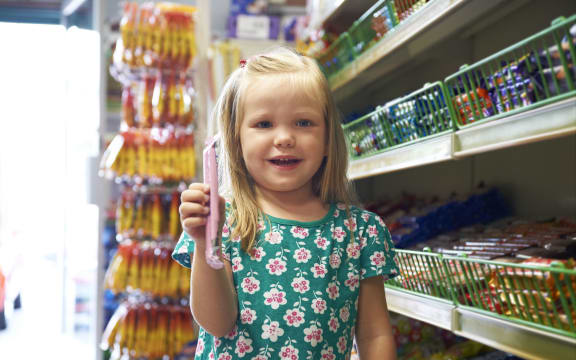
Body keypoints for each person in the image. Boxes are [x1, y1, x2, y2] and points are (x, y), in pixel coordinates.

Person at [172, 47, 399, 360]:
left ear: (328, 139)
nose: (284, 138)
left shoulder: (360, 233)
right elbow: (216, 323)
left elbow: (374, 335)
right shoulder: (223, 223)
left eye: (303, 123)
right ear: (236, 139)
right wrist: (204, 245)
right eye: (264, 124)